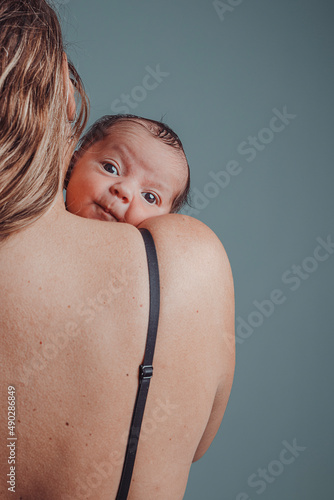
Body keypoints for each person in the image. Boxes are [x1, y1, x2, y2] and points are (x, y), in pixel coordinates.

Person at [0, 1, 235, 499]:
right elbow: (196, 440)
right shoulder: (186, 269)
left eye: (152, 197)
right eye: (111, 168)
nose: (125, 194)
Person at [65, 114, 191, 226]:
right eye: (110, 168)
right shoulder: (45, 219)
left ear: (164, 222)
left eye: (150, 197)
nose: (124, 190)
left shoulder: (139, 252)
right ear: (72, 164)